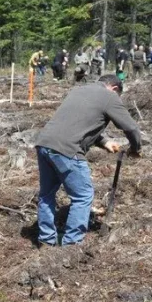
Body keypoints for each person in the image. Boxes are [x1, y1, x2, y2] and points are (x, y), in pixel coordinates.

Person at [34, 75, 142, 246]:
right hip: (67, 149)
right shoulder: (110, 96)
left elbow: (79, 123)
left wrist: (105, 142)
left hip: (44, 144)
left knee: (46, 195)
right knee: (83, 196)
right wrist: (136, 148)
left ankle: (46, 239)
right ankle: (72, 244)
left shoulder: (79, 90)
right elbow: (130, 127)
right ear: (114, 88)